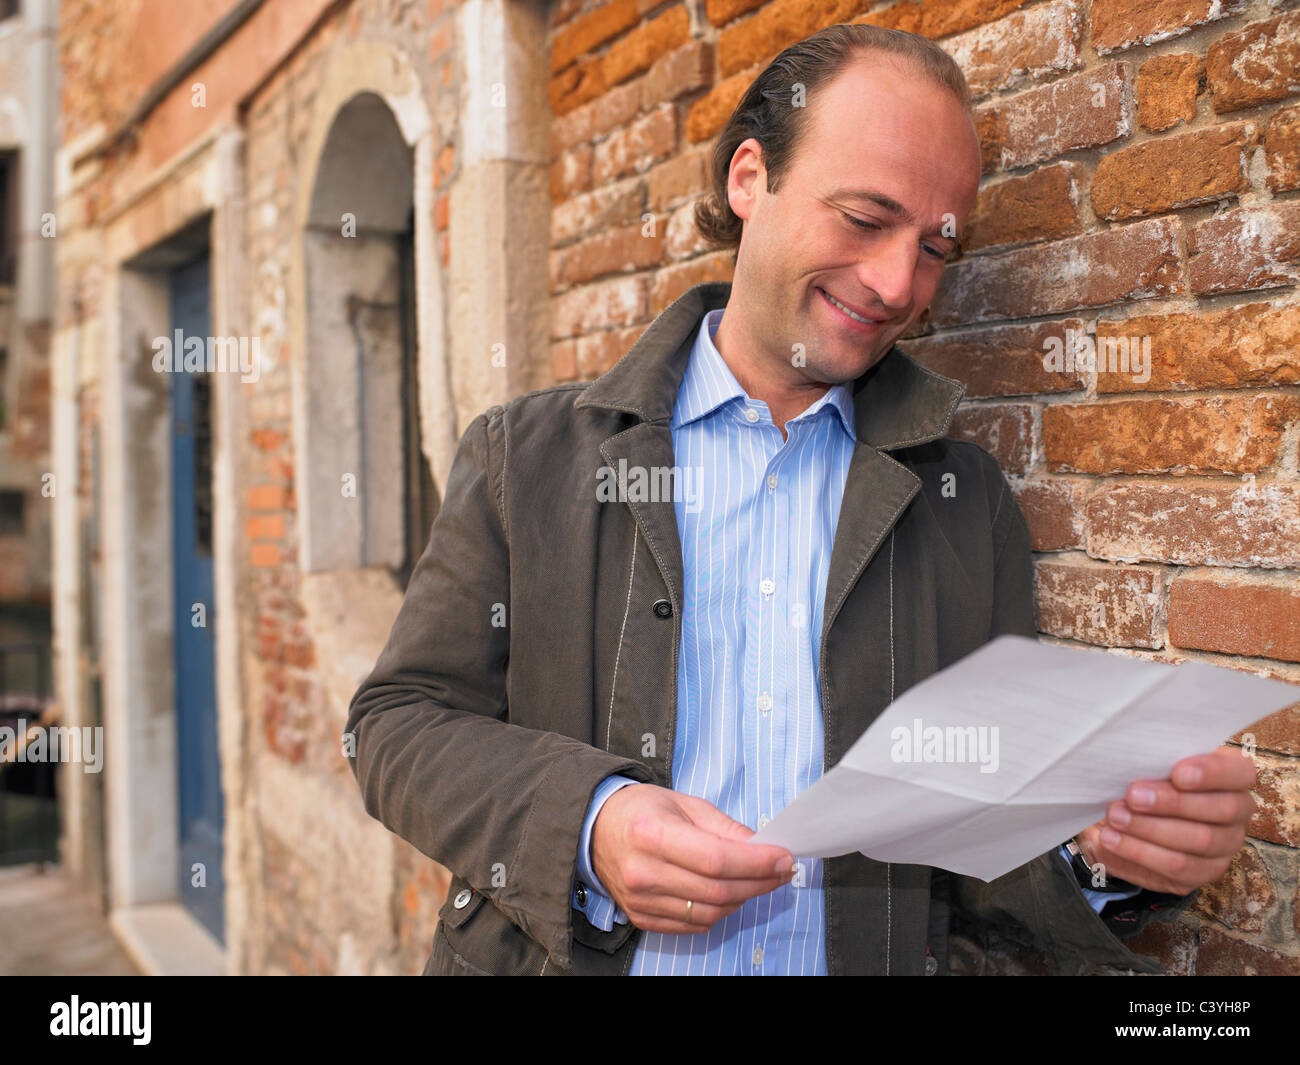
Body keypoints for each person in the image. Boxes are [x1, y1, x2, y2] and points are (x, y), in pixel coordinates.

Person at [345, 23, 1257, 976]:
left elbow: (977, 828)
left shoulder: (963, 501)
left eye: (936, 246)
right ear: (750, 179)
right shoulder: (522, 457)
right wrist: (589, 819)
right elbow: (394, 723)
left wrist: (1098, 854)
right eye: (866, 219)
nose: (899, 283)